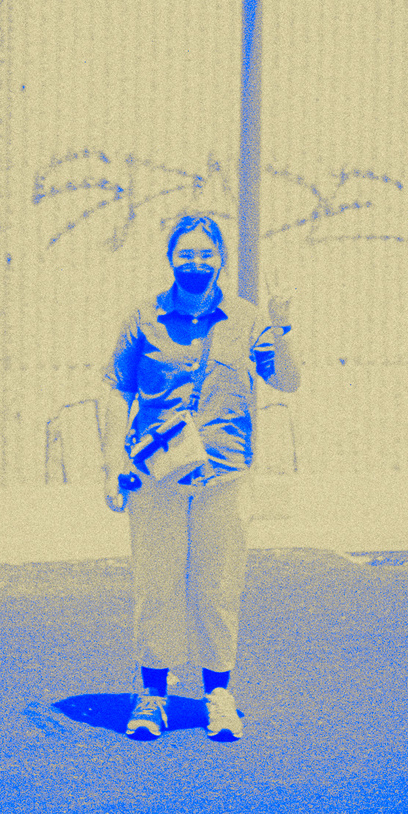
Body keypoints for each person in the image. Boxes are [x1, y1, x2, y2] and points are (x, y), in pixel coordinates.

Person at [100, 214, 300, 742]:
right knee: (157, 585)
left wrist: (281, 327)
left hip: (225, 473)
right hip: (157, 476)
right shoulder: (143, 318)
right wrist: (111, 464)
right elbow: (117, 389)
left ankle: (218, 695)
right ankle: (153, 696)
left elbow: (286, 381)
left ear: (221, 259)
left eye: (206, 254)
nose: (196, 263)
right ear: (170, 259)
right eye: (185, 254)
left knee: (218, 585)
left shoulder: (247, 319)